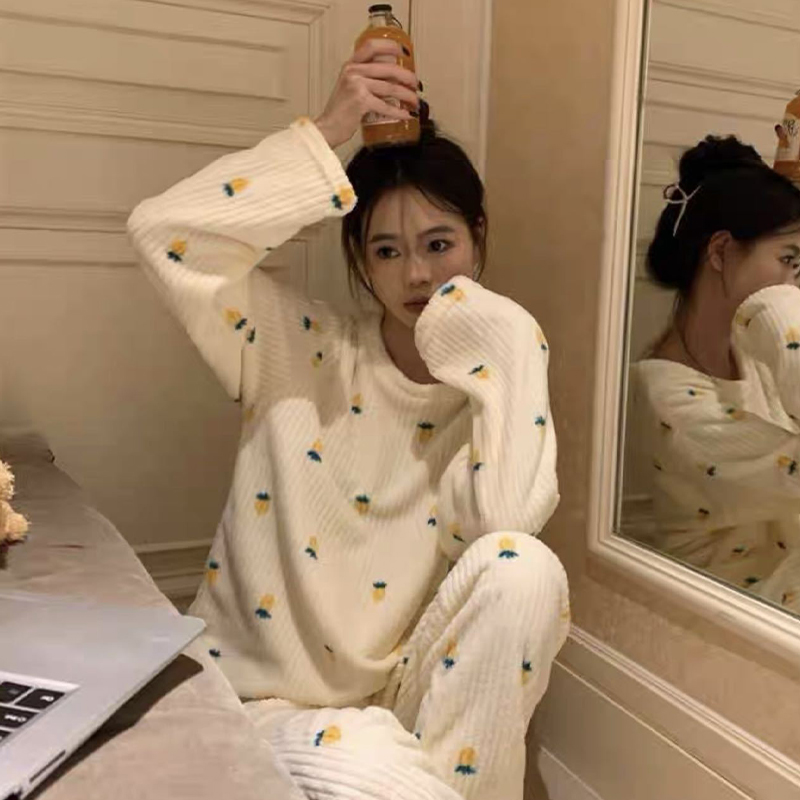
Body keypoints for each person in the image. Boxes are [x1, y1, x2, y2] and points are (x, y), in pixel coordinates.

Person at [127, 39, 569, 800]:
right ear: (360, 260)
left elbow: (504, 524)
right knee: (366, 766)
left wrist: (513, 344)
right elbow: (163, 236)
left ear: (478, 238)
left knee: (527, 569)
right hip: (269, 703)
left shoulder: (494, 383)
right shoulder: (293, 344)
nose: (418, 274)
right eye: (387, 251)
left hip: (400, 699)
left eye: (439, 244)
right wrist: (330, 131)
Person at [633, 134, 800, 613]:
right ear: (722, 252)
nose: (795, 281)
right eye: (788, 260)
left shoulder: (757, 356)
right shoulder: (662, 394)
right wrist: (779, 311)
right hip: (732, 611)